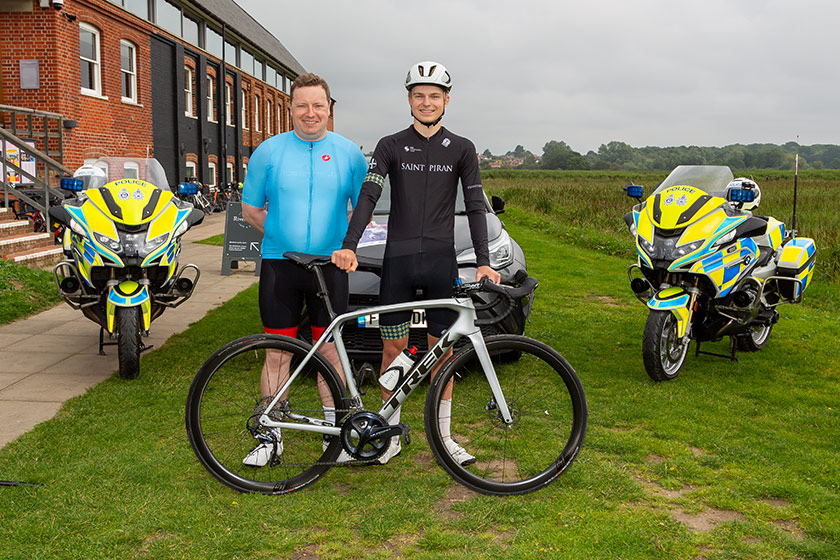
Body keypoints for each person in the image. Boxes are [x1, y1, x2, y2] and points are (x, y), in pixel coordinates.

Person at [332, 61, 501, 465]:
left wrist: (483, 261)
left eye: (434, 96)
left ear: (446, 100)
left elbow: (475, 205)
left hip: (441, 264)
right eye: (419, 95)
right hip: (399, 264)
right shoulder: (390, 145)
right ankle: (388, 436)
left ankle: (445, 438)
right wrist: (350, 245)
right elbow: (369, 196)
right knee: (392, 349)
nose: (427, 102)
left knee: (443, 353)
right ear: (409, 99)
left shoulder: (462, 148)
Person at [241, 73, 367, 467]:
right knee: (277, 352)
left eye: (317, 105)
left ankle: (335, 433)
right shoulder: (268, 152)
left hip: (330, 268)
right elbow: (251, 209)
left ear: (329, 108)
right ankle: (269, 435)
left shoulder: (350, 154)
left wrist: (344, 244)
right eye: (302, 105)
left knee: (330, 352)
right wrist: (283, 237)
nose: (310, 113)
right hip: (281, 266)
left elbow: (361, 210)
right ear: (290, 108)